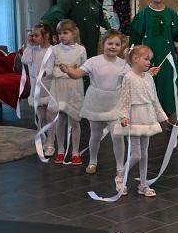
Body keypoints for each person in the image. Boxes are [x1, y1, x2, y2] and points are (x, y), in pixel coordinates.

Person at [60, 30, 132, 175]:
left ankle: (120, 166)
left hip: (115, 104)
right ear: (103, 44)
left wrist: (147, 74)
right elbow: (77, 74)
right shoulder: (93, 61)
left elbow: (133, 79)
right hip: (96, 103)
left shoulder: (124, 65)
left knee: (117, 136)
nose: (113, 47)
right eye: (110, 43)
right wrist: (68, 70)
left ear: (121, 47)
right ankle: (93, 161)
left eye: (117, 44)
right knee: (95, 135)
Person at [129, 0, 178, 118]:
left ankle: (168, 117)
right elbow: (135, 39)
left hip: (167, 57)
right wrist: (134, 58)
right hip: (148, 58)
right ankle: (149, 116)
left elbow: (177, 37)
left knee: (168, 86)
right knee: (148, 85)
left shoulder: (171, 15)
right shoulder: (143, 14)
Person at [115, 45, 169, 197]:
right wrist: (124, 116)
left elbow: (154, 99)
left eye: (149, 60)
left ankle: (143, 184)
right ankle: (120, 177)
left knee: (144, 154)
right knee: (136, 154)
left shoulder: (149, 77)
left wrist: (162, 116)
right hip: (134, 117)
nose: (149, 62)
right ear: (135, 59)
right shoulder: (128, 77)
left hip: (147, 116)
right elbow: (125, 99)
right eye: (146, 59)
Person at [46, 19, 87, 165]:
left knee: (75, 121)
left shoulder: (81, 50)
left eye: (65, 32)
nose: (62, 36)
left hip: (74, 87)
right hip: (59, 87)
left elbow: (84, 68)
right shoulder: (54, 49)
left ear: (74, 33)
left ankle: (75, 151)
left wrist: (73, 71)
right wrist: (44, 72)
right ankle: (61, 150)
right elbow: (49, 68)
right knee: (61, 120)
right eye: (59, 33)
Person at [41, 0, 111, 58]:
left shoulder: (94, 2)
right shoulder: (69, 1)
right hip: (75, 40)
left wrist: (110, 28)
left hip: (93, 38)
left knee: (91, 59)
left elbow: (101, 18)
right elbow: (55, 12)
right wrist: (43, 26)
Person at [21, 23, 56, 156]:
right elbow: (25, 60)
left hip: (49, 86)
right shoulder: (33, 49)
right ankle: (46, 138)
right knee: (41, 116)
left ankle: (51, 144)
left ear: (46, 36)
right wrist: (29, 45)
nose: (33, 38)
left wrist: (45, 72)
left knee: (50, 115)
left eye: (36, 35)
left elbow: (51, 68)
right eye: (32, 35)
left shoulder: (52, 50)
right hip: (37, 87)